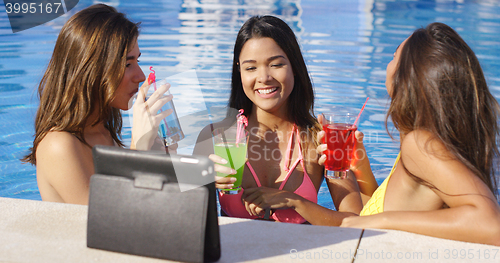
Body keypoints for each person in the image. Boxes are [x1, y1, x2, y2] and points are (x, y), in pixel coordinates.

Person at [338, 22, 500, 246]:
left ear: (406, 79)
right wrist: (358, 167)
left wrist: (383, 221)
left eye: (394, 56)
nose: (389, 63)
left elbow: (491, 226)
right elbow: (377, 215)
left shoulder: (420, 143)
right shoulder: (422, 143)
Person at [194, 15, 367, 224]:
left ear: (294, 66)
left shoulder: (321, 138)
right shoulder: (214, 137)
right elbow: (185, 218)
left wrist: (295, 201)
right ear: (239, 71)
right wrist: (203, 183)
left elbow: (355, 222)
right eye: (250, 68)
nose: (264, 77)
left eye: (275, 64)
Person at [22, 4, 172, 205]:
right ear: (93, 71)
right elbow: (111, 225)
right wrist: (139, 149)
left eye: (137, 61)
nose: (141, 76)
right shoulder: (58, 145)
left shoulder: (102, 131)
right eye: (128, 64)